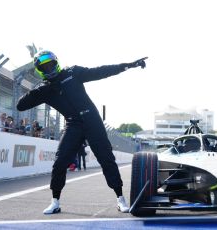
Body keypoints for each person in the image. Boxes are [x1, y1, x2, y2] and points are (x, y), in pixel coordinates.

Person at [16, 50, 147, 214]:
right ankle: (55, 201)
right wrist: (36, 91)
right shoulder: (44, 89)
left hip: (92, 121)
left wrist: (127, 65)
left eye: (50, 64)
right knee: (60, 162)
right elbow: (20, 106)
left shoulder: (73, 72)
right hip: (73, 124)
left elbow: (101, 71)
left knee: (106, 159)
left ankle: (120, 199)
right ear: (40, 70)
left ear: (56, 63)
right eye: (44, 67)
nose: (49, 68)